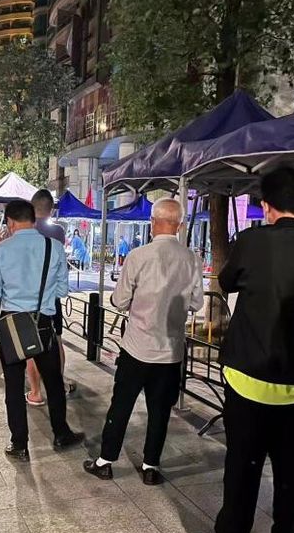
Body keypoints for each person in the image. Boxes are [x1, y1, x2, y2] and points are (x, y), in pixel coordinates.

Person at [178, 167, 294, 533]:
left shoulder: (250, 242)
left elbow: (227, 282)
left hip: (246, 377)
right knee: (292, 474)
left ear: (265, 206)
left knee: (243, 469)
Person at [84, 198, 204, 485]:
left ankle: (105, 461)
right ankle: (151, 466)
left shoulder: (138, 256)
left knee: (121, 404)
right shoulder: (191, 259)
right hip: (170, 350)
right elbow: (196, 303)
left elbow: (119, 300)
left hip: (136, 346)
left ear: (152, 222)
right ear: (180, 225)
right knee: (160, 411)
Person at [0, 199, 85, 462]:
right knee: (54, 382)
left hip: (12, 325)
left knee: (14, 386)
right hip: (43, 323)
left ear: (10, 222)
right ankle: (61, 433)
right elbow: (62, 290)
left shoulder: (1, 250)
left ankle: (19, 444)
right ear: (33, 220)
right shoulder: (54, 247)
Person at [26, 189, 75, 403]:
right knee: (57, 340)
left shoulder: (24, 231)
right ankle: (58, 383)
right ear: (51, 209)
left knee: (30, 345)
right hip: (52, 296)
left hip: (28, 298)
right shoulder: (58, 232)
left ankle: (36, 392)